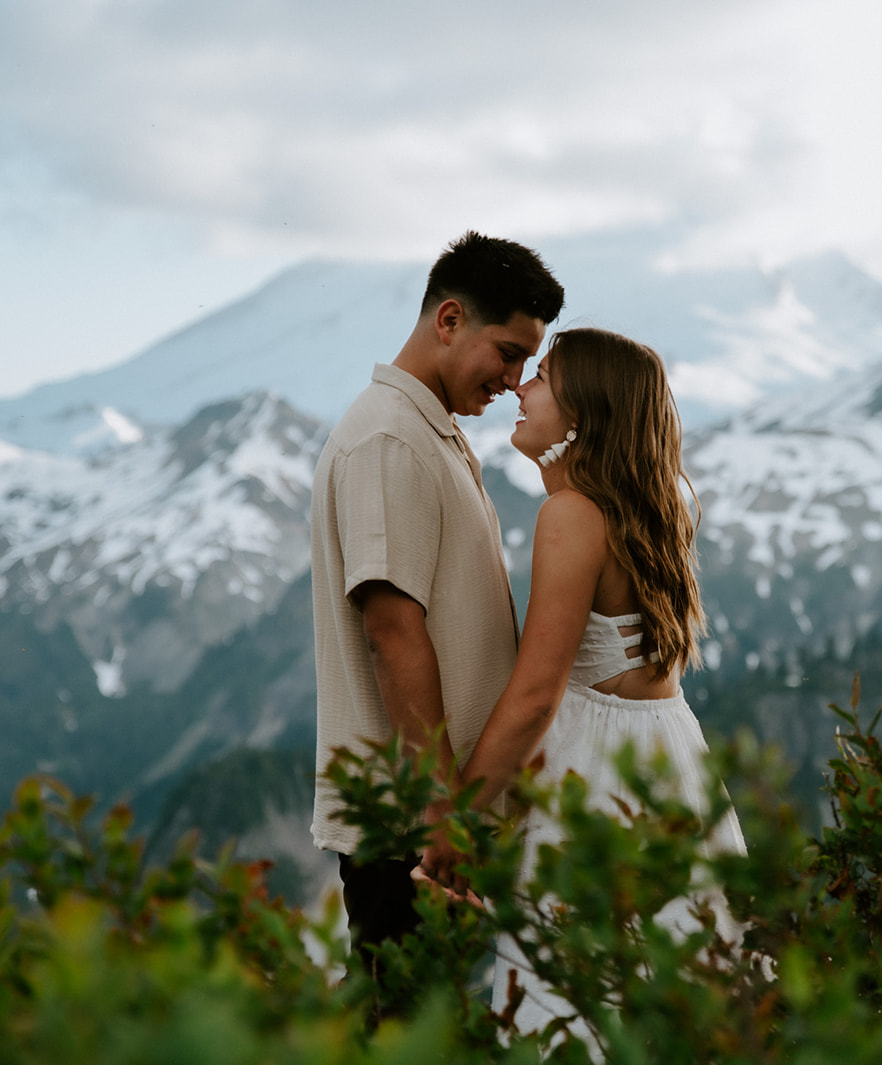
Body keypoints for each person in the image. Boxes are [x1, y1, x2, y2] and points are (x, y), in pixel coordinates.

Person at [419, 326, 747, 1039]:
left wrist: (458, 814)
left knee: (573, 1004)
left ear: (582, 413)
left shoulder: (571, 515)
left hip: (596, 776)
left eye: (543, 376)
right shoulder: (648, 512)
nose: (521, 386)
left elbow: (537, 694)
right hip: (670, 760)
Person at [309, 231, 565, 976]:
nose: (516, 379)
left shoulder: (431, 430)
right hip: (410, 836)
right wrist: (441, 813)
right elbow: (393, 630)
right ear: (448, 320)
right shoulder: (390, 438)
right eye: (509, 352)